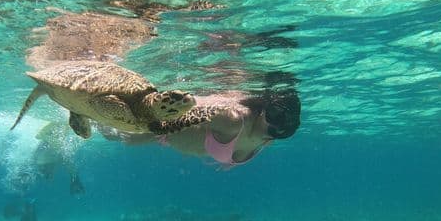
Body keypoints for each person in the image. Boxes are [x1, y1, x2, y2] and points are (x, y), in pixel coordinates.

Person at [105, 88, 301, 167]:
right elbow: (189, 109)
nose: (277, 124)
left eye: (285, 122)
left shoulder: (267, 139)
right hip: (160, 130)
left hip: (168, 138)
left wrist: (232, 161)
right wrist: (150, 127)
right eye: (275, 115)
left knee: (121, 136)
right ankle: (86, 110)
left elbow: (242, 147)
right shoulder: (232, 120)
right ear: (264, 109)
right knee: (118, 135)